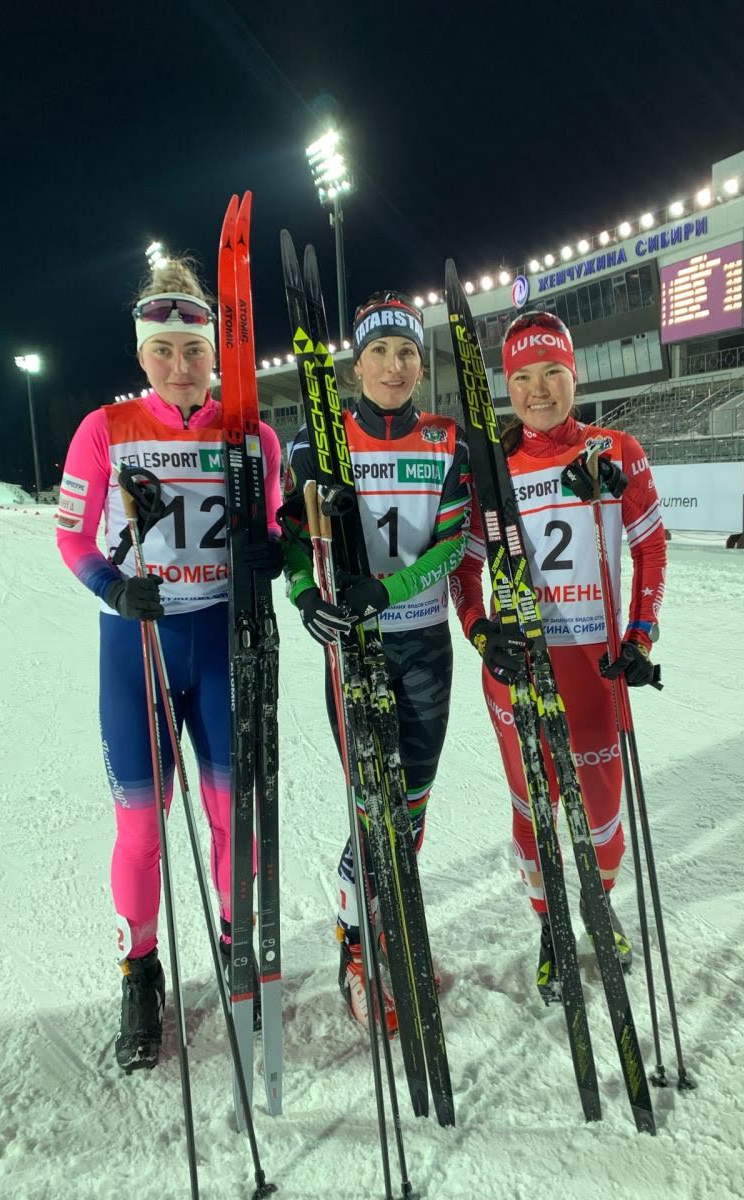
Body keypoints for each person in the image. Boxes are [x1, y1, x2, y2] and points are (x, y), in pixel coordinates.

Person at [56, 257, 283, 1071]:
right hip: (139, 647)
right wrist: (114, 588)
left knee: (232, 819)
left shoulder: (251, 434)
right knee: (143, 828)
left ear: (215, 353)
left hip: (219, 643)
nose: (180, 366)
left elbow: (274, 529)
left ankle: (234, 945)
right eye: (164, 350)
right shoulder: (104, 429)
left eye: (195, 349)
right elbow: (72, 537)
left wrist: (271, 552)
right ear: (142, 352)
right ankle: (140, 972)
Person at [451, 310, 666, 1000]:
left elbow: (650, 544)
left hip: (594, 666)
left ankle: (598, 904)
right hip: (519, 667)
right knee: (533, 806)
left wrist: (639, 635)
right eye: (521, 377)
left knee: (604, 817)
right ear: (505, 384)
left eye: (552, 373)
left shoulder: (615, 450)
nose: (537, 389)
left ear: (575, 375)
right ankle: (551, 926)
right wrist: (481, 633)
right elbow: (465, 570)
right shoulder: (490, 467)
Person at [279, 291, 471, 1030]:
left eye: (408, 352)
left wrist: (386, 589)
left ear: (421, 364)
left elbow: (451, 546)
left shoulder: (446, 442)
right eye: (380, 352)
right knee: (371, 807)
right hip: (354, 650)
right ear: (356, 365)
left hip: (423, 643)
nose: (395, 366)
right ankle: (356, 947)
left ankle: (390, 925)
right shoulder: (315, 443)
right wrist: (306, 596)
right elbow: (292, 540)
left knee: (411, 807)